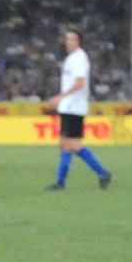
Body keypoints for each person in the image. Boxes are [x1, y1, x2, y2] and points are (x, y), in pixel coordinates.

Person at [43, 28, 112, 191]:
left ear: (78, 41)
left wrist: (60, 97)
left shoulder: (79, 58)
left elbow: (79, 83)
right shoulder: (71, 59)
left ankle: (102, 172)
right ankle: (61, 182)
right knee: (65, 144)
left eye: (73, 39)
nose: (69, 42)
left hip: (75, 107)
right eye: (67, 39)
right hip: (68, 107)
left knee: (72, 144)